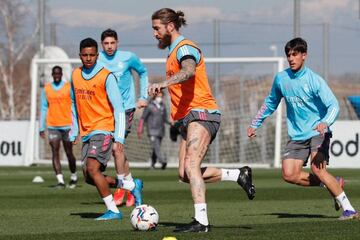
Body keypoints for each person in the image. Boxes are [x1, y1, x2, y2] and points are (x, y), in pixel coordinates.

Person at [150, 8, 256, 233]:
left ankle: (202, 221)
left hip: (201, 113)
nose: (154, 34)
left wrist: (163, 83)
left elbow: (188, 71)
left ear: (170, 26)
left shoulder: (185, 47)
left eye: (157, 28)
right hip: (186, 120)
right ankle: (238, 174)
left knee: (191, 164)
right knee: (185, 173)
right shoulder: (171, 52)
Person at [247, 37, 358, 220]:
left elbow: (334, 105)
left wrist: (325, 123)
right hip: (297, 135)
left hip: (318, 132)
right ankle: (332, 183)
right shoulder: (281, 79)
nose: (291, 58)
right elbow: (270, 103)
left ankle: (349, 209)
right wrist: (255, 123)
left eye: (295, 54)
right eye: (289, 55)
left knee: (318, 169)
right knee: (289, 174)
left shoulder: (314, 80)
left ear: (304, 56)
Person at [69, 37, 142, 221]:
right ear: (80, 55)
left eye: (92, 55)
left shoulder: (106, 76)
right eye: (85, 55)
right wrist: (74, 129)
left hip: (104, 129)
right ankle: (130, 186)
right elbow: (72, 102)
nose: (88, 58)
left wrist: (119, 138)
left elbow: (119, 108)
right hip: (86, 132)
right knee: (88, 176)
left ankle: (113, 210)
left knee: (93, 168)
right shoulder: (75, 75)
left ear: (97, 55)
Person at [98, 29, 147, 207]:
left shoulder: (128, 57)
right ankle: (132, 185)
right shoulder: (97, 59)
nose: (109, 46)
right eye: (106, 43)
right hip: (106, 111)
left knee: (116, 149)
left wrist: (143, 96)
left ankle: (121, 187)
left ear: (117, 43)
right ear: (101, 44)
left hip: (125, 109)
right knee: (119, 151)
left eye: (112, 43)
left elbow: (143, 72)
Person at [39, 66, 77, 189]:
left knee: (69, 152)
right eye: (54, 73)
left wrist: (75, 126)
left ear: (61, 74)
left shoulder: (68, 87)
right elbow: (44, 108)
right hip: (53, 125)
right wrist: (41, 127)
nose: (56, 75)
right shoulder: (47, 89)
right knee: (55, 151)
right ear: (52, 74)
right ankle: (60, 181)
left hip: (67, 125)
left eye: (58, 73)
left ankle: (73, 176)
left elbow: (73, 105)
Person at [137, 91, 170, 170]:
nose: (160, 98)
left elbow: (165, 119)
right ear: (155, 97)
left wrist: (171, 123)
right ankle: (162, 161)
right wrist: (140, 129)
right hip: (152, 130)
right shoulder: (150, 106)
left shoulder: (163, 106)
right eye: (158, 96)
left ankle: (152, 164)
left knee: (156, 148)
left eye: (161, 96)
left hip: (161, 130)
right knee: (157, 146)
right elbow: (143, 118)